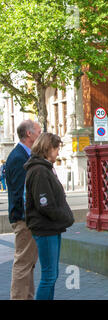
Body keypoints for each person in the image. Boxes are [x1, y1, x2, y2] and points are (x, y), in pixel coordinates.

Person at [24, 132, 74, 300]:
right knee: (49, 276)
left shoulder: (44, 168)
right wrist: (66, 218)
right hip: (45, 228)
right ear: (47, 148)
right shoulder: (39, 171)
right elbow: (45, 204)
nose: (58, 152)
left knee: (52, 274)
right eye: (56, 148)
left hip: (51, 227)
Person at [5, 119, 41, 300]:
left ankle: (27, 296)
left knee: (28, 264)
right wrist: (29, 217)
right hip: (24, 220)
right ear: (29, 134)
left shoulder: (22, 155)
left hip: (25, 219)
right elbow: (21, 193)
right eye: (39, 132)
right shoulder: (20, 157)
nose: (40, 136)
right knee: (23, 263)